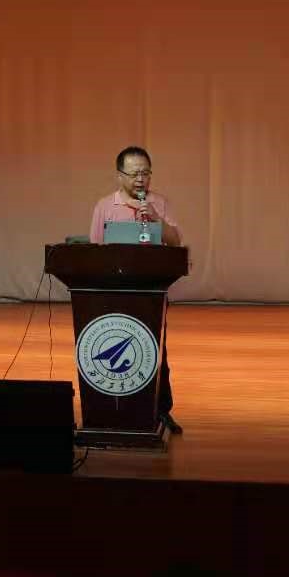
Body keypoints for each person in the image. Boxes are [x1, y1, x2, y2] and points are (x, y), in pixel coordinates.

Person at [89, 146, 184, 434]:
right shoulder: (105, 206)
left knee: (156, 351)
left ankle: (161, 410)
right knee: (115, 348)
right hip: (114, 292)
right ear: (120, 176)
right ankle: (112, 409)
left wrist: (155, 218)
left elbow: (176, 242)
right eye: (134, 174)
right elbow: (94, 251)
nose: (141, 179)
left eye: (146, 173)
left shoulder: (159, 203)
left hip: (151, 292)